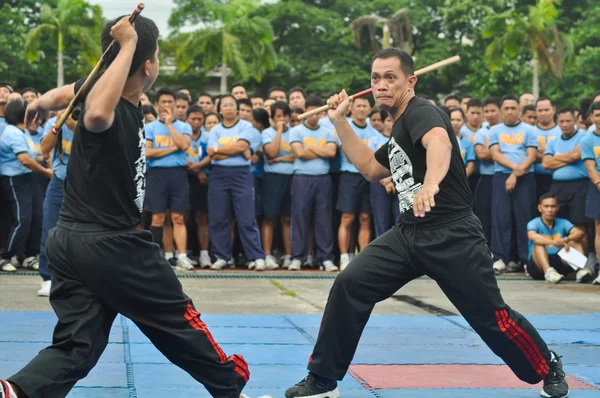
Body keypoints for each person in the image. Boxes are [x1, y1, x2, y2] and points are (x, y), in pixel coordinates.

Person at [284, 48, 568, 398]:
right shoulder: (399, 127)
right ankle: (323, 380)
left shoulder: (422, 112)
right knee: (350, 284)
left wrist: (431, 183)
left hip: (453, 234)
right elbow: (370, 169)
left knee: (490, 318)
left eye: (391, 77)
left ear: (411, 81)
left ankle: (548, 363)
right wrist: (339, 121)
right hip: (408, 233)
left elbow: (439, 142)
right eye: (375, 79)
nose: (381, 85)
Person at [0, 15, 250, 398]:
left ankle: (16, 391)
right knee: (179, 319)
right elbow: (96, 113)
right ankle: (232, 386)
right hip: (112, 244)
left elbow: (64, 93)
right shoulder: (107, 110)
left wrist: (42, 101)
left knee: (77, 345)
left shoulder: (107, 93)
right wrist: (130, 44)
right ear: (148, 66)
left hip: (68, 241)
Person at [206, 95, 266, 271]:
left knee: (246, 217)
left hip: (241, 174)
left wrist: (219, 149)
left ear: (237, 108)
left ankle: (256, 256)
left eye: (232, 104)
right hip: (218, 175)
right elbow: (212, 153)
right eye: (225, 105)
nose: (229, 108)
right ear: (219, 109)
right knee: (219, 217)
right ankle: (222, 256)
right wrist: (229, 151)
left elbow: (242, 148)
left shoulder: (246, 126)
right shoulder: (215, 129)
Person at [0, 100, 53, 272]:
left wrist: (45, 160)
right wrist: (47, 172)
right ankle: (5, 256)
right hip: (14, 179)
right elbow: (24, 160)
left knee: (36, 217)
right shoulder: (13, 133)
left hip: (27, 178)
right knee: (22, 219)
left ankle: (30, 255)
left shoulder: (22, 132)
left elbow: (33, 156)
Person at [289, 96, 338, 272]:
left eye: (319, 112)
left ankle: (325, 258)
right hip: (302, 178)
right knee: (300, 218)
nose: (315, 116)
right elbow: (299, 153)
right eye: (312, 111)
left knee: (323, 219)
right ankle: (297, 257)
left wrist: (310, 149)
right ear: (305, 111)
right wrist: (320, 151)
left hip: (322, 178)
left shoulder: (327, 132)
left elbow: (331, 152)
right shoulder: (296, 131)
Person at [527, 193, 590, 284]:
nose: (549, 210)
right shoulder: (533, 223)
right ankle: (549, 272)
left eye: (553, 206)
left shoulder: (563, 222)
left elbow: (579, 233)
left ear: (557, 208)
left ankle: (582, 270)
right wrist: (555, 242)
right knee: (538, 244)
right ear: (540, 208)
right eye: (546, 206)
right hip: (538, 265)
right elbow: (532, 236)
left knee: (574, 242)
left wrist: (566, 239)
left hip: (559, 262)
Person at [261, 102, 295, 269]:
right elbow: (271, 152)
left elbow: (298, 155)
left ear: (289, 117)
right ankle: (267, 255)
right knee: (270, 217)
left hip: (292, 177)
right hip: (272, 178)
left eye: (285, 116)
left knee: (287, 218)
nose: (282, 119)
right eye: (278, 117)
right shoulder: (267, 133)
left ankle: (289, 255)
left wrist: (281, 159)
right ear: (272, 119)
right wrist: (279, 131)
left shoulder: (296, 132)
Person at [185, 105, 212, 269]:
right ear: (187, 119)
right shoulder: (182, 133)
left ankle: (204, 254)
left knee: (202, 218)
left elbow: (211, 154)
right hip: (185, 178)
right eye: (193, 119)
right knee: (184, 218)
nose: (196, 122)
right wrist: (196, 171)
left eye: (199, 119)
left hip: (204, 180)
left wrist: (200, 168)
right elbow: (180, 152)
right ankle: (187, 252)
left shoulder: (208, 136)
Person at [581, 101, 600, 285]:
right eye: (597, 115)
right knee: (598, 229)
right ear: (591, 118)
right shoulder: (588, 140)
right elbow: (590, 166)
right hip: (597, 188)